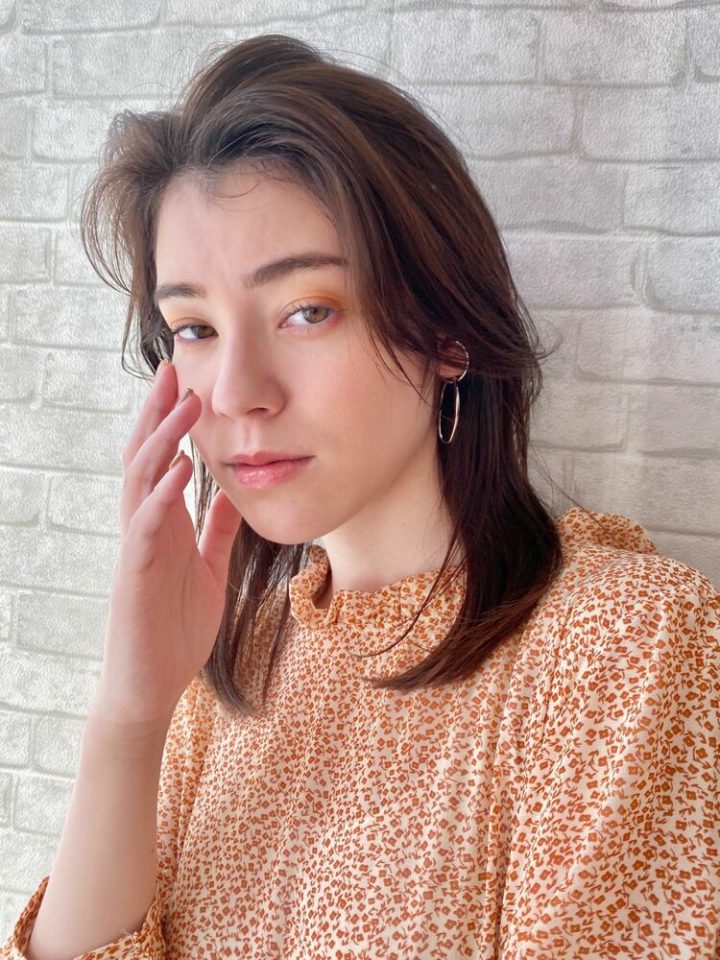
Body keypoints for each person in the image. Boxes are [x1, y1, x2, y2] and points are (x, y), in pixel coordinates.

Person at [2, 32, 719, 960]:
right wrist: (129, 718)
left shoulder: (626, 649)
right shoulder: (237, 656)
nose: (237, 392)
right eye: (195, 327)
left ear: (448, 330)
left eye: (308, 310)